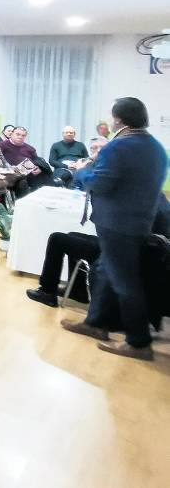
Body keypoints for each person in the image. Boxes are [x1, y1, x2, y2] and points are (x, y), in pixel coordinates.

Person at [61, 97, 168, 361]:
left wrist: (82, 170)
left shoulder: (118, 147)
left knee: (125, 282)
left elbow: (101, 184)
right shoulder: (156, 147)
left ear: (118, 120)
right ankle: (96, 323)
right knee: (105, 270)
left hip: (117, 224)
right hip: (137, 220)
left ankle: (138, 342)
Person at [26, 232, 100, 307]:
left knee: (56, 239)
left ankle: (47, 292)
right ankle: (77, 291)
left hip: (105, 250)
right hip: (105, 244)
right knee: (72, 235)